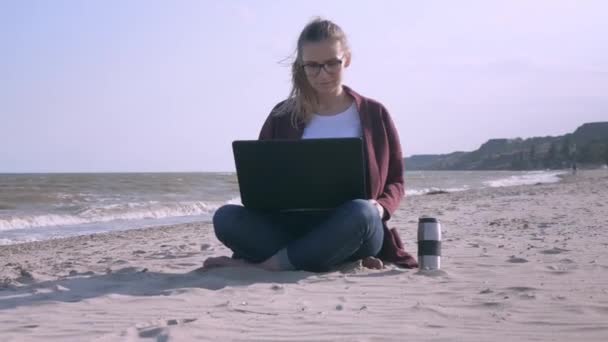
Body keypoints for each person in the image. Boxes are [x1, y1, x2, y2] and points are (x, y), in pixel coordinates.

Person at [203, 18, 417, 272]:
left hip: (352, 228)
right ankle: (323, 258)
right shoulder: (282, 115)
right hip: (290, 228)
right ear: (301, 66)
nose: (322, 74)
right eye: (313, 66)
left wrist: (382, 207)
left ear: (346, 58)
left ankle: (270, 265)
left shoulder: (374, 113)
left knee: (362, 212)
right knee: (225, 218)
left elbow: (396, 181)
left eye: (331, 64)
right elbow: (261, 180)